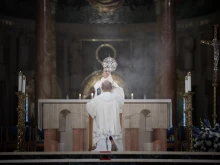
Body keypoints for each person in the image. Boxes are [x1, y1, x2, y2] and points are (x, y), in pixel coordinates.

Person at [86, 80, 124, 151]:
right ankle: (112, 145)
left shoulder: (97, 99)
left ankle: (103, 148)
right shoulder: (117, 98)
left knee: (101, 143)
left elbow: (89, 107)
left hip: (102, 130)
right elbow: (122, 104)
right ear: (111, 88)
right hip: (114, 130)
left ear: (102, 88)